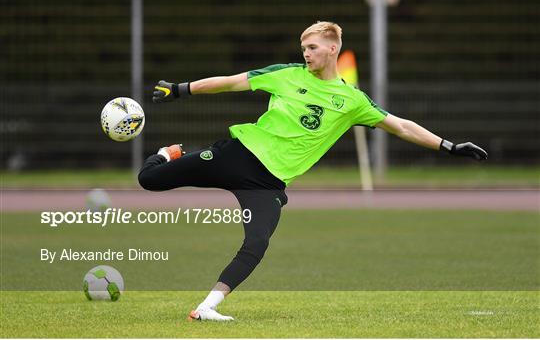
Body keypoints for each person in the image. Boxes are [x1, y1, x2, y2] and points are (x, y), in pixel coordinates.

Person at [138, 21, 488, 321]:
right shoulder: (286, 74)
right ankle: (169, 155)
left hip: (268, 185)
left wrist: (449, 146)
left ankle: (207, 307)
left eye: (312, 47)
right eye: (303, 47)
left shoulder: (352, 101)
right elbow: (231, 81)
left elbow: (401, 126)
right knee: (149, 179)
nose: (306, 53)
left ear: (333, 48)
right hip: (238, 155)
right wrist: (181, 89)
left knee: (257, 242)